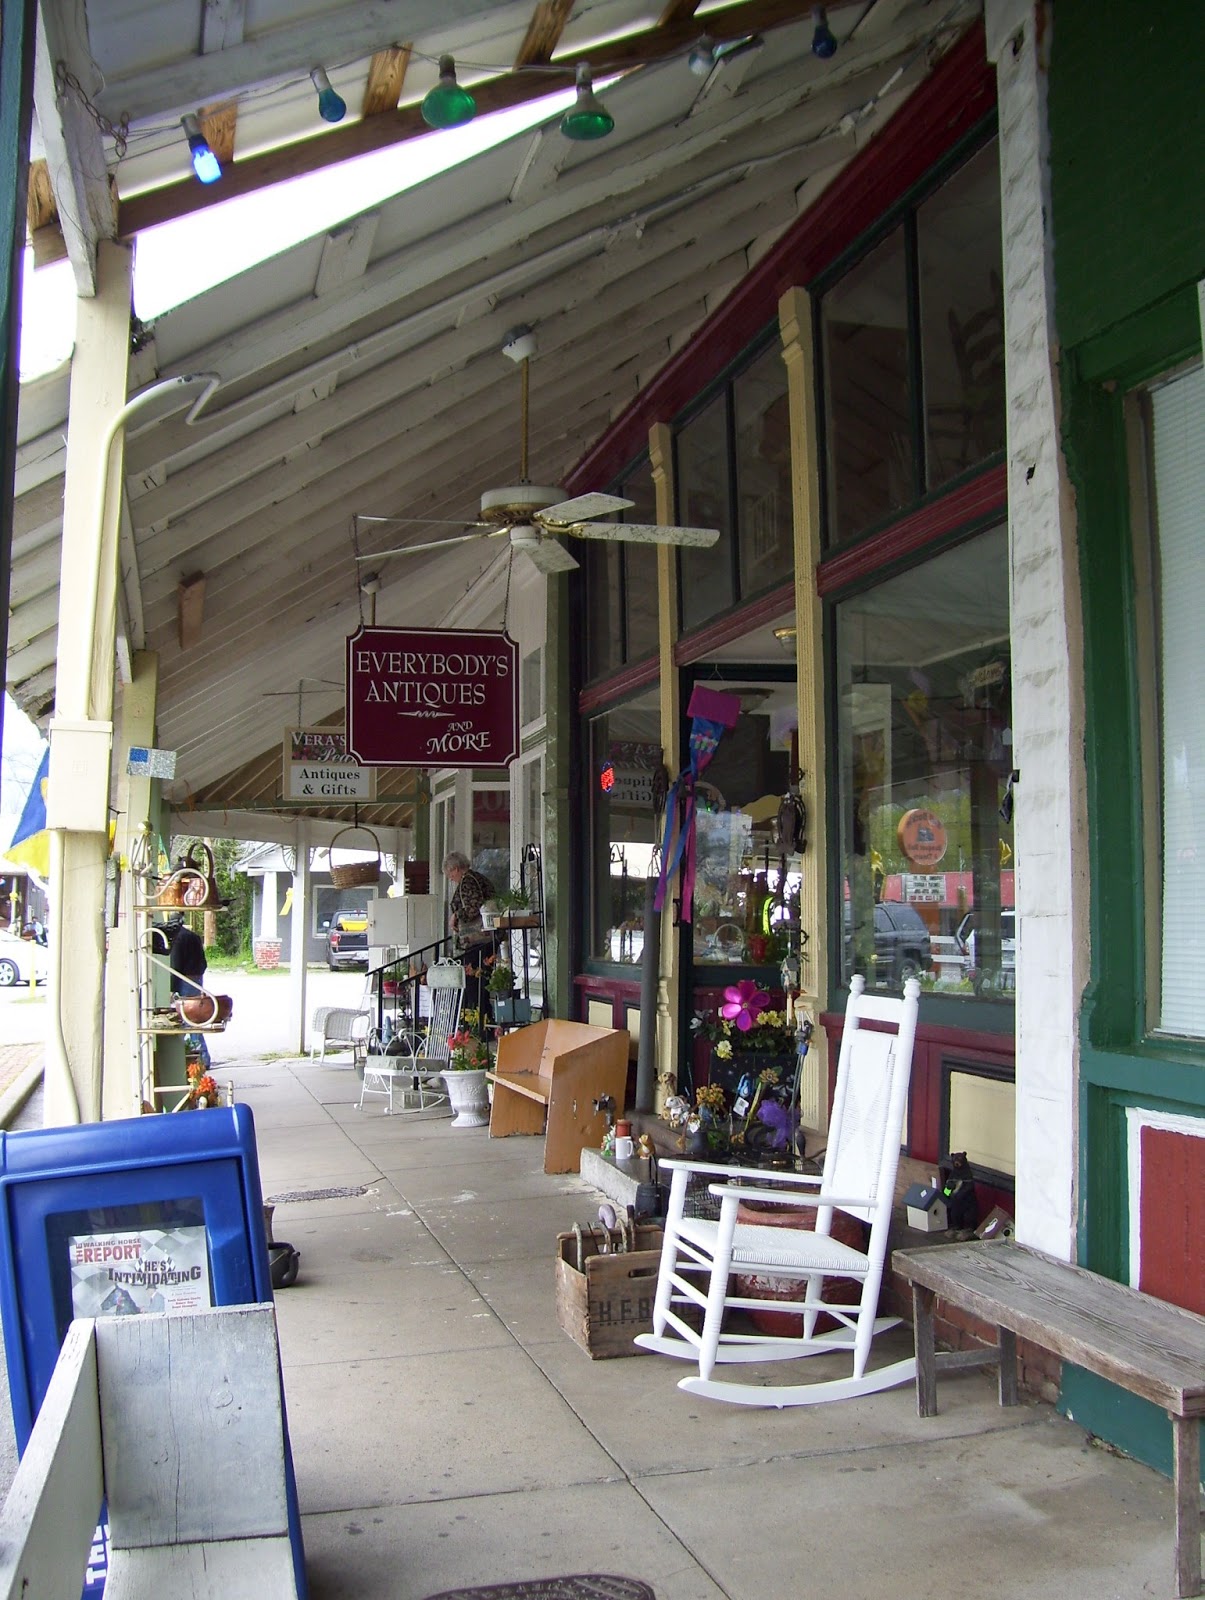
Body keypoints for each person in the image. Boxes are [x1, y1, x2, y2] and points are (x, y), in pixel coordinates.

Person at [442, 852, 497, 1030]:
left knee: (475, 984)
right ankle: (482, 1025)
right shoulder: (477, 878)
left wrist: (455, 916)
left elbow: (475, 906)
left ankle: (479, 1028)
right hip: (485, 940)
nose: (451, 879)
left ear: (456, 869)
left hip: (477, 940)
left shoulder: (468, 881)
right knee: (481, 984)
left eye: (450, 874)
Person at [166, 913, 211, 1068]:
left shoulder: (177, 939)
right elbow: (204, 963)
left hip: (184, 980)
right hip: (197, 978)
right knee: (195, 1019)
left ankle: (197, 1060)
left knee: (187, 1019)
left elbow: (175, 966)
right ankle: (203, 1057)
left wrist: (172, 988)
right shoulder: (194, 937)